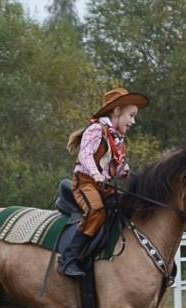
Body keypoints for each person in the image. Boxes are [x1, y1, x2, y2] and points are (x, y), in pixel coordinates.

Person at [58, 87, 149, 278]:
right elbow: (85, 155)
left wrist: (122, 172)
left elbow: (113, 168)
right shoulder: (95, 130)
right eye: (131, 115)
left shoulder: (117, 139)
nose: (133, 121)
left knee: (126, 207)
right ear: (117, 111)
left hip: (103, 185)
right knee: (96, 211)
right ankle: (68, 259)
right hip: (86, 182)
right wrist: (95, 174)